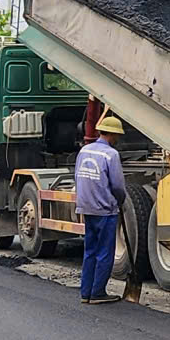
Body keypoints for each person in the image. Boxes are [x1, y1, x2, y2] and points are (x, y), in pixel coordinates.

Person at [73, 113, 129, 304]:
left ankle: (85, 292)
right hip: (105, 209)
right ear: (112, 135)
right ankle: (98, 293)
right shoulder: (111, 154)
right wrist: (120, 200)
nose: (118, 139)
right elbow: (118, 186)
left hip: (87, 207)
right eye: (117, 136)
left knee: (90, 251)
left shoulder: (84, 151)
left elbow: (77, 177)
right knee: (105, 252)